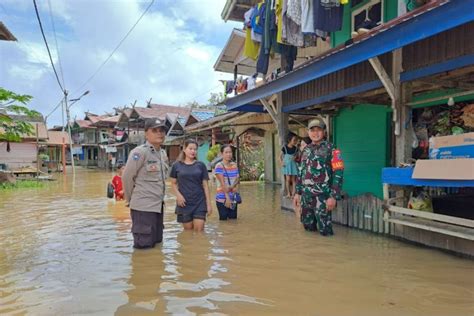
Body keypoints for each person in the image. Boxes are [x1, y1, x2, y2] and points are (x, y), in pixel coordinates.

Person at [122, 118, 169, 249]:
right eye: (155, 130)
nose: (159, 133)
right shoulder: (139, 152)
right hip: (143, 208)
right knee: (144, 249)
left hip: (158, 207)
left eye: (162, 131)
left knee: (157, 245)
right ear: (146, 134)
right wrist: (131, 200)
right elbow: (127, 177)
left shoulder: (163, 154)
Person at [293, 118, 344, 236]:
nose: (315, 133)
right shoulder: (305, 150)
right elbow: (301, 172)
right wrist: (297, 193)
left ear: (324, 132)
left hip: (323, 197)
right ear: (308, 132)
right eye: (312, 130)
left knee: (325, 232)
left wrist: (333, 196)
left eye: (319, 130)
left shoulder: (332, 149)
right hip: (306, 197)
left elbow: (339, 172)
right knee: (308, 229)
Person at [170, 139, 212, 232]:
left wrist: (208, 204)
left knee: (199, 231)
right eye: (191, 148)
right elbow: (173, 183)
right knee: (188, 232)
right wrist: (178, 196)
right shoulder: (176, 165)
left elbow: (205, 186)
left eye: (195, 149)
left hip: (199, 202)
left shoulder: (201, 165)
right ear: (184, 149)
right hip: (184, 202)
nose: (193, 151)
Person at [214, 145, 240, 220]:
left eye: (230, 152)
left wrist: (232, 187)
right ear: (222, 154)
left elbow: (237, 178)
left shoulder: (234, 165)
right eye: (226, 152)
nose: (229, 154)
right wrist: (227, 198)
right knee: (223, 222)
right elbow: (222, 183)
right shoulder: (219, 166)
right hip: (222, 198)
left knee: (233, 221)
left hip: (233, 198)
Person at [293, 137, 311, 219]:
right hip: (303, 190)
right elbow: (299, 177)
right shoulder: (301, 158)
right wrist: (297, 193)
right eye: (301, 145)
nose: (301, 147)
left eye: (304, 145)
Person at [279, 132, 298, 198]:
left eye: (296, 140)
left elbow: (297, 156)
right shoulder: (284, 148)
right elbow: (280, 156)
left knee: (293, 180)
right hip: (287, 166)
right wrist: (281, 163)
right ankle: (288, 193)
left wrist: (295, 158)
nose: (295, 141)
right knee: (288, 179)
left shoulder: (296, 148)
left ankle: (293, 194)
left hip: (293, 165)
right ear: (289, 140)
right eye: (294, 140)